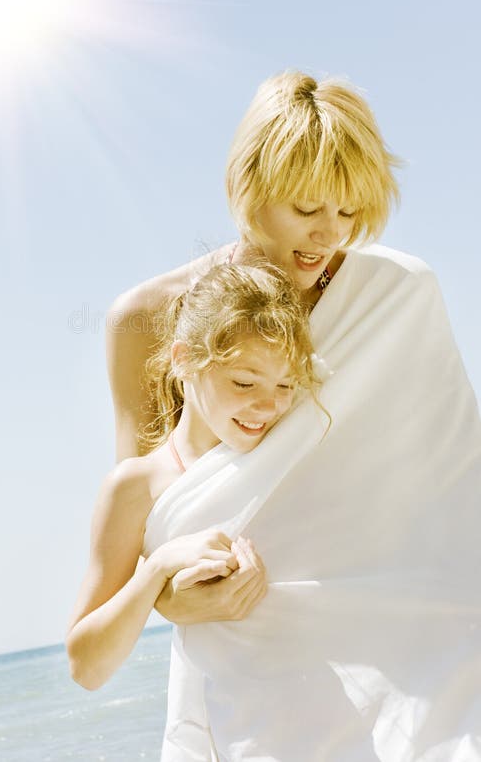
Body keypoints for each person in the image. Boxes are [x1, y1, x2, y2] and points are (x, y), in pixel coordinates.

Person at [107, 71, 481, 760]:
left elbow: (450, 488)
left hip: (401, 655)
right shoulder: (146, 320)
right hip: (244, 652)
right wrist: (168, 599)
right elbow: (154, 513)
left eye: (349, 213)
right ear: (245, 186)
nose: (327, 236)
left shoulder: (397, 297)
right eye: (306, 207)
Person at [66, 261, 320, 691]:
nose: (267, 408)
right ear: (183, 360)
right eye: (244, 383)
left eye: (284, 386)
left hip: (324, 685)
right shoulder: (137, 487)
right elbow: (85, 668)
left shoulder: (298, 436)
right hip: (226, 706)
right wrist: (157, 571)